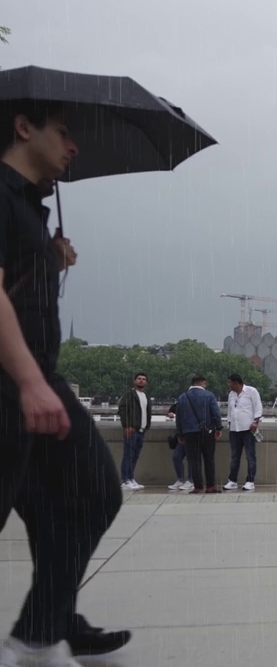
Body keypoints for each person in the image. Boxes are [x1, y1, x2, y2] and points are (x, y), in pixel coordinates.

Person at [0, 99, 130, 664]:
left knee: (89, 495)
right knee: (61, 506)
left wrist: (51, 260)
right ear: (23, 127)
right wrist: (29, 382)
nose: (74, 146)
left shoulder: (30, 207)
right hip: (15, 382)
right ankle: (43, 631)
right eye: (63, 132)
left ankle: (42, 628)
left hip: (36, 379)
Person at [174, 375, 222, 494]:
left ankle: (198, 486)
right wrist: (219, 427)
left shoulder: (182, 397)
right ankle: (210, 485)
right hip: (207, 432)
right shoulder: (209, 395)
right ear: (202, 384)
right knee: (209, 459)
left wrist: (180, 433)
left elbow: (179, 417)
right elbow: (215, 412)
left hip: (189, 432)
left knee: (194, 460)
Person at [223, 373, 262, 491]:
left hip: (248, 429)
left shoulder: (251, 391)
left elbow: (258, 407)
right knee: (235, 456)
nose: (229, 385)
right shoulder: (231, 394)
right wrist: (229, 424)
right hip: (234, 429)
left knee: (250, 456)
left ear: (236, 382)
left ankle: (250, 481)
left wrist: (256, 422)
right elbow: (230, 411)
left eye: (230, 382)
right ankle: (232, 480)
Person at [115, 372, 152, 490]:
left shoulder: (146, 395)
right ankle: (125, 480)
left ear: (146, 382)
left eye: (143, 379)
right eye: (139, 379)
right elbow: (122, 410)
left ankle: (131, 478)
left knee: (135, 455)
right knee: (128, 455)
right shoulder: (129, 395)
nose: (141, 381)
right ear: (134, 381)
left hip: (141, 430)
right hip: (132, 429)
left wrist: (146, 427)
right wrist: (127, 426)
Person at [166, 401, 192, 491]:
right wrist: (170, 413)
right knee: (176, 457)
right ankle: (180, 480)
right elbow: (171, 410)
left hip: (191, 435)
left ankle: (191, 481)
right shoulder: (181, 403)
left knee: (191, 459)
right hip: (182, 436)